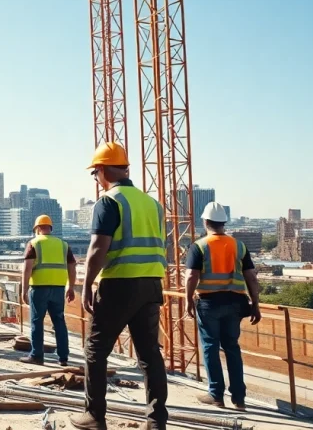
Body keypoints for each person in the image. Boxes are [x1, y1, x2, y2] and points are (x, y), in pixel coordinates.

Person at [72, 142, 168, 430]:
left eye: (95, 173)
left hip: (118, 284)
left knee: (95, 350)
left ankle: (94, 416)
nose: (96, 178)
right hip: (151, 284)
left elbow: (97, 248)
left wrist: (87, 284)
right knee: (150, 355)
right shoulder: (152, 204)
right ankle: (156, 421)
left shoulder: (109, 201)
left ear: (102, 170)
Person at [185, 202, 262, 410]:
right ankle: (239, 398)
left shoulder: (199, 246)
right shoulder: (239, 246)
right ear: (224, 223)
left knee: (210, 346)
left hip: (209, 303)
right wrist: (255, 304)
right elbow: (251, 277)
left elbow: (191, 276)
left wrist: (188, 299)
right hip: (236, 303)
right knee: (232, 347)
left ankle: (216, 395)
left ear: (205, 222)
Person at [20, 215, 77, 365]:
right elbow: (72, 267)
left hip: (39, 289)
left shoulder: (34, 243)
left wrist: (24, 290)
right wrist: (71, 287)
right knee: (59, 322)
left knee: (37, 322)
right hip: (58, 289)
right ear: (50, 228)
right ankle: (63, 357)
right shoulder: (63, 245)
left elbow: (27, 269)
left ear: (37, 228)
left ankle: (37, 356)